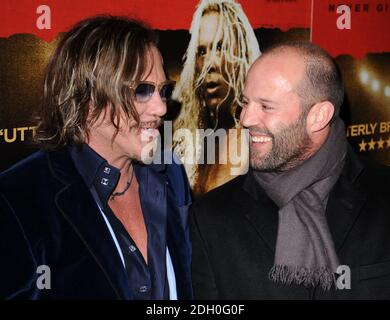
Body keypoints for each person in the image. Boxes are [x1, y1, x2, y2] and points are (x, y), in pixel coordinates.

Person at [0, 16, 192, 300]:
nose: (161, 108)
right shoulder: (18, 197)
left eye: (162, 90)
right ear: (87, 100)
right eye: (142, 91)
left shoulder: (170, 173)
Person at [190, 41, 390, 299]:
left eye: (266, 106)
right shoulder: (211, 216)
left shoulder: (384, 196)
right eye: (246, 102)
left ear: (318, 116)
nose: (246, 119)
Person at [172, 0, 260, 196]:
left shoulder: (260, 142)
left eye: (220, 47)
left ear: (242, 54)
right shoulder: (184, 144)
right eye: (202, 51)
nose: (209, 63)